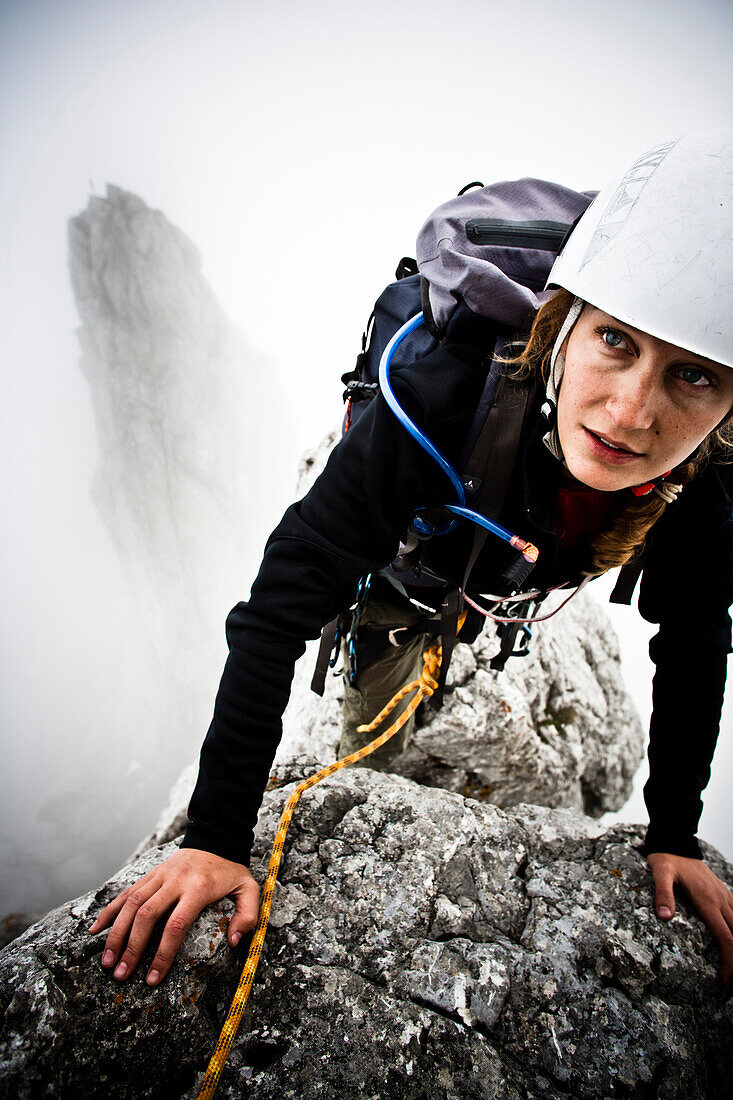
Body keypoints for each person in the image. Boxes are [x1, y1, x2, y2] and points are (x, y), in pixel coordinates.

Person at [89, 130, 733, 992]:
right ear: (562, 321)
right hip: (404, 571)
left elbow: (695, 640)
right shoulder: (437, 399)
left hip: (503, 566)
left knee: (460, 628)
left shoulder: (702, 478)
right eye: (615, 340)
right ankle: (379, 715)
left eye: (694, 377)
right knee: (378, 699)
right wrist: (212, 838)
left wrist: (673, 836)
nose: (630, 412)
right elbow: (278, 606)